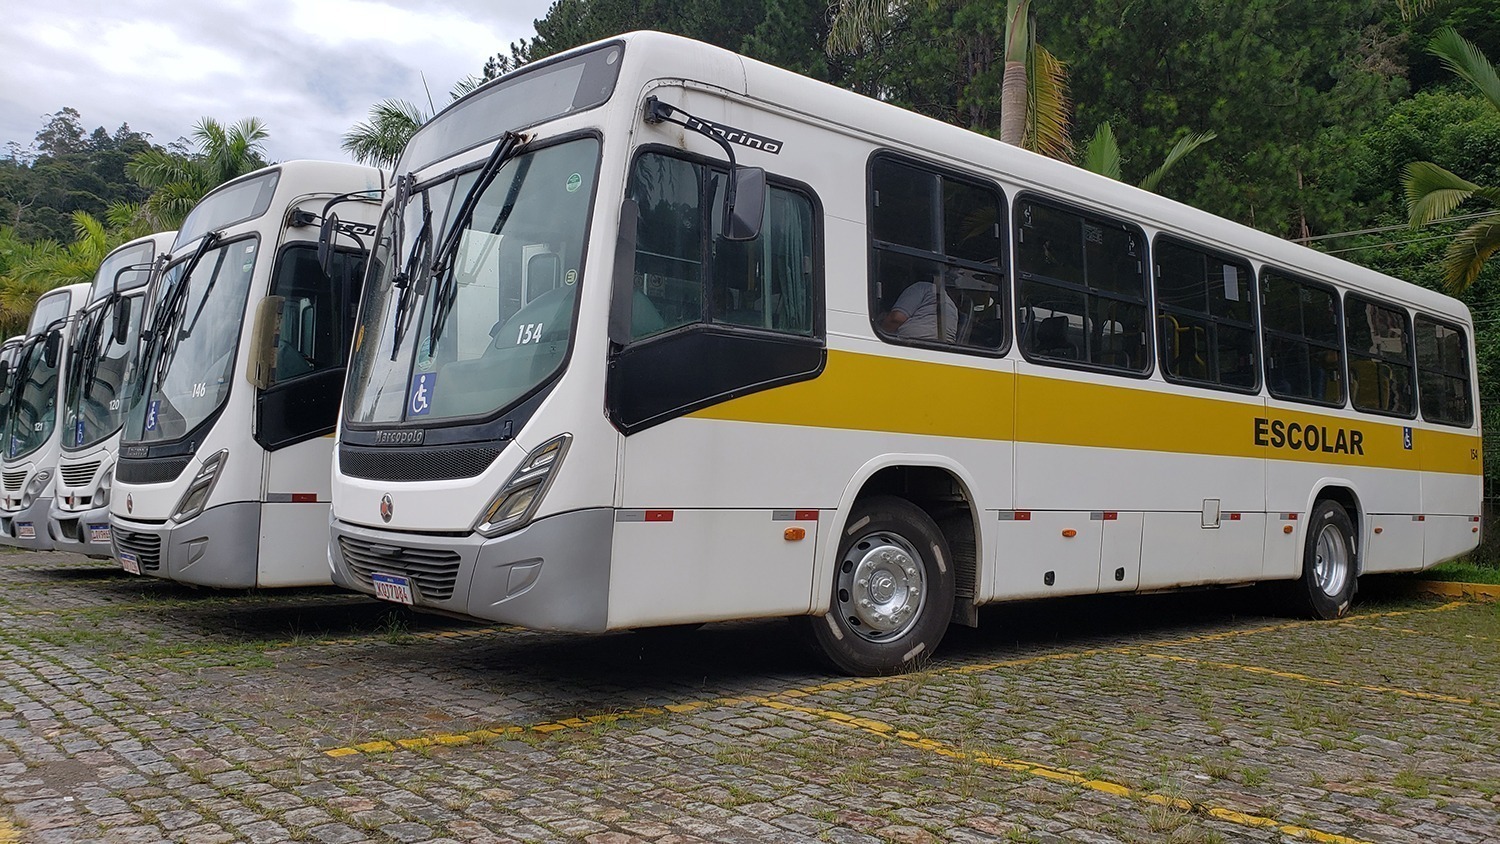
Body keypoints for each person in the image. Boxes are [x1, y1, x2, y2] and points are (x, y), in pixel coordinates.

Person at [881, 277, 957, 342]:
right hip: (941, 348)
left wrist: (880, 333)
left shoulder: (920, 287)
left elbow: (896, 319)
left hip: (913, 344)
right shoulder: (950, 302)